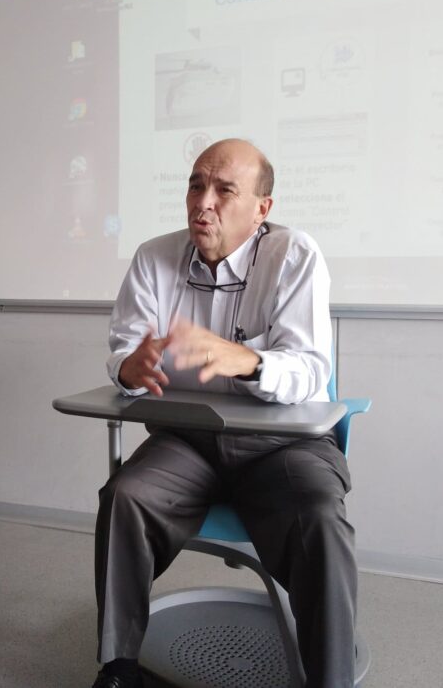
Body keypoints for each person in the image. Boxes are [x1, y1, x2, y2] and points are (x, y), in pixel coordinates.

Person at [92, 139, 356, 688]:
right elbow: (122, 353)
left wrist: (249, 361)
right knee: (125, 496)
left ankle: (329, 680)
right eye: (196, 185)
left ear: (262, 208)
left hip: (285, 445)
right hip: (187, 441)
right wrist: (129, 369)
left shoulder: (294, 255)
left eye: (223, 190)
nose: (202, 201)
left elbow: (310, 370)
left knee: (319, 516)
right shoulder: (153, 258)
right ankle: (119, 669)